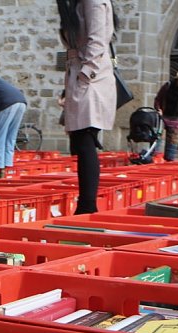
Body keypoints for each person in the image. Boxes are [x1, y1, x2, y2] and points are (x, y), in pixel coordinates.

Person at [58, 0, 117, 214]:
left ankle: (87, 205)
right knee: (81, 142)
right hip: (81, 76)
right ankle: (85, 204)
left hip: (91, 79)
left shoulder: (93, 1)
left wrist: (85, 75)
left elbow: (98, 41)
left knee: (85, 141)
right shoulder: (79, 3)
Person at [153, 71, 178, 162]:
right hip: (163, 115)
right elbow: (158, 99)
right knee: (158, 136)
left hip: (176, 117)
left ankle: (169, 160)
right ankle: (154, 157)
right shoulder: (168, 86)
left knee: (173, 140)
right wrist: (158, 109)